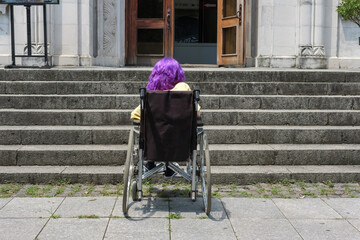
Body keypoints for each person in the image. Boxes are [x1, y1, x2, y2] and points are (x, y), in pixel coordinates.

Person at [130, 57, 200, 177]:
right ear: (178, 74)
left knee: (148, 128)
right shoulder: (183, 89)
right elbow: (197, 113)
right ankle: (171, 165)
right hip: (179, 145)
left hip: (154, 145)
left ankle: (150, 162)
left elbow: (135, 115)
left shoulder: (151, 96)